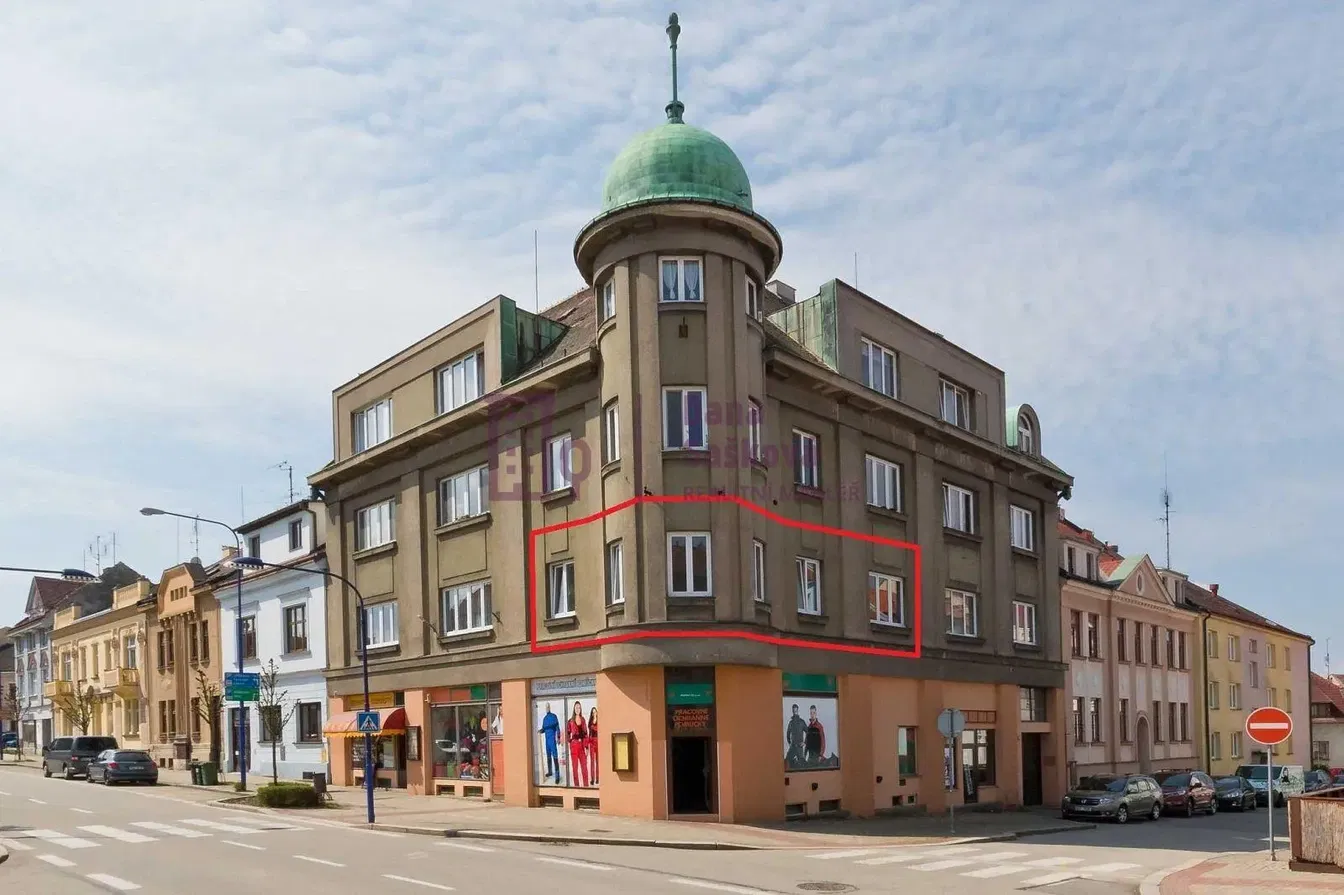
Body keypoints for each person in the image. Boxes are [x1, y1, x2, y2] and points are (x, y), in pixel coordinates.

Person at [567, 701, 589, 787]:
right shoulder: (570, 721)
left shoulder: (583, 720)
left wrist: (586, 747)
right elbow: (568, 733)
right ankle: (577, 787)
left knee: (584, 768)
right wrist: (570, 742)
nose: (577, 709)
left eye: (579, 707)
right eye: (576, 707)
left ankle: (586, 786)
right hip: (574, 746)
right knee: (575, 768)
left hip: (582, 746)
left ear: (581, 709)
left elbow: (585, 734)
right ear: (574, 708)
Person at [539, 703, 561, 782]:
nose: (547, 708)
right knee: (548, 756)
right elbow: (543, 729)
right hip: (547, 741)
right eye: (546, 707)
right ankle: (550, 771)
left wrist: (558, 737)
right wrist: (540, 731)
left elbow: (557, 727)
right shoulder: (545, 718)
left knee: (555, 756)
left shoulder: (554, 716)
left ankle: (557, 776)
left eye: (548, 706)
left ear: (550, 707)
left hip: (552, 740)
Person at [785, 703, 807, 768]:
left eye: (796, 711)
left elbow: (808, 732)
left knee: (802, 766)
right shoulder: (791, 723)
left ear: (797, 711)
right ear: (792, 711)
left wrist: (805, 742)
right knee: (787, 762)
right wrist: (790, 743)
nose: (795, 712)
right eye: (793, 711)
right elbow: (787, 734)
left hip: (800, 748)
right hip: (792, 747)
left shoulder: (802, 722)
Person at [586, 706, 599, 785]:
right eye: (593, 712)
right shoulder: (590, 722)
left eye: (595, 712)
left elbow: (597, 730)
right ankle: (592, 779)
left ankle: (598, 778)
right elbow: (589, 732)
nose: (594, 713)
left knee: (597, 761)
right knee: (592, 761)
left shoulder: (599, 721)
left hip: (597, 741)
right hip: (591, 742)